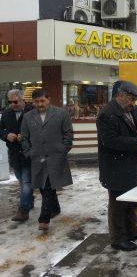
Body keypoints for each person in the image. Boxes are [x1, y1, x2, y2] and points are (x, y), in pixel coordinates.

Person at [97, 80, 137, 251]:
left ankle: (131, 230)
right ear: (119, 96)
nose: (133, 103)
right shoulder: (106, 114)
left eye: (135, 100)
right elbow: (110, 141)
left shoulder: (134, 109)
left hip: (132, 164)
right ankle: (118, 238)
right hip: (115, 167)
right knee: (118, 204)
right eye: (130, 99)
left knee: (131, 201)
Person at [21, 89, 74, 231]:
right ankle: (55, 208)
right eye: (37, 101)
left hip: (56, 157)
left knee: (49, 185)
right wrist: (28, 152)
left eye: (42, 101)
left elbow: (68, 134)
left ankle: (44, 218)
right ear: (33, 102)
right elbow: (24, 137)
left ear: (48, 99)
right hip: (37, 158)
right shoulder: (28, 117)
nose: (40, 104)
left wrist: (64, 149)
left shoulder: (61, 113)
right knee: (43, 187)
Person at [0, 89, 34, 222]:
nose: (13, 104)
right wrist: (6, 135)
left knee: (26, 182)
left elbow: (40, 130)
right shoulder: (7, 113)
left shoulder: (32, 111)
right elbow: (1, 129)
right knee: (22, 181)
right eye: (10, 102)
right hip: (14, 153)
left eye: (15, 101)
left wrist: (25, 137)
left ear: (22, 99)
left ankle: (23, 210)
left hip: (29, 153)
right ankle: (29, 200)